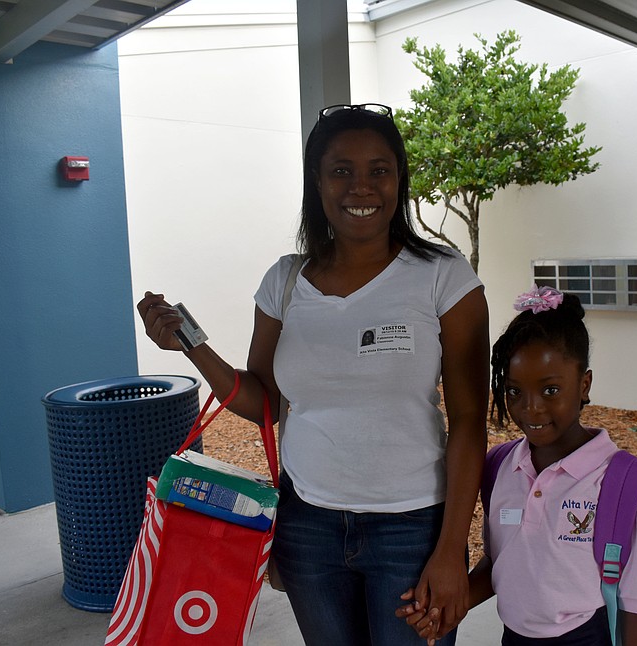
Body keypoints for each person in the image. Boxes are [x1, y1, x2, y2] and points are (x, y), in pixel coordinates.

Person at [137, 103, 489, 645]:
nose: (361, 187)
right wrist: (189, 344)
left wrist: (450, 551)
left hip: (412, 528)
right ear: (317, 183)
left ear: (399, 179)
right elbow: (263, 404)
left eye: (379, 169)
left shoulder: (443, 277)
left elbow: (469, 421)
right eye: (341, 170)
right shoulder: (285, 280)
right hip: (309, 529)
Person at [398, 286, 637, 645]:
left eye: (550, 390)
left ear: (584, 384)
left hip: (587, 637)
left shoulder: (619, 482)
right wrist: (444, 609)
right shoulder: (499, 468)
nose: (531, 408)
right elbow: (502, 565)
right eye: (514, 391)